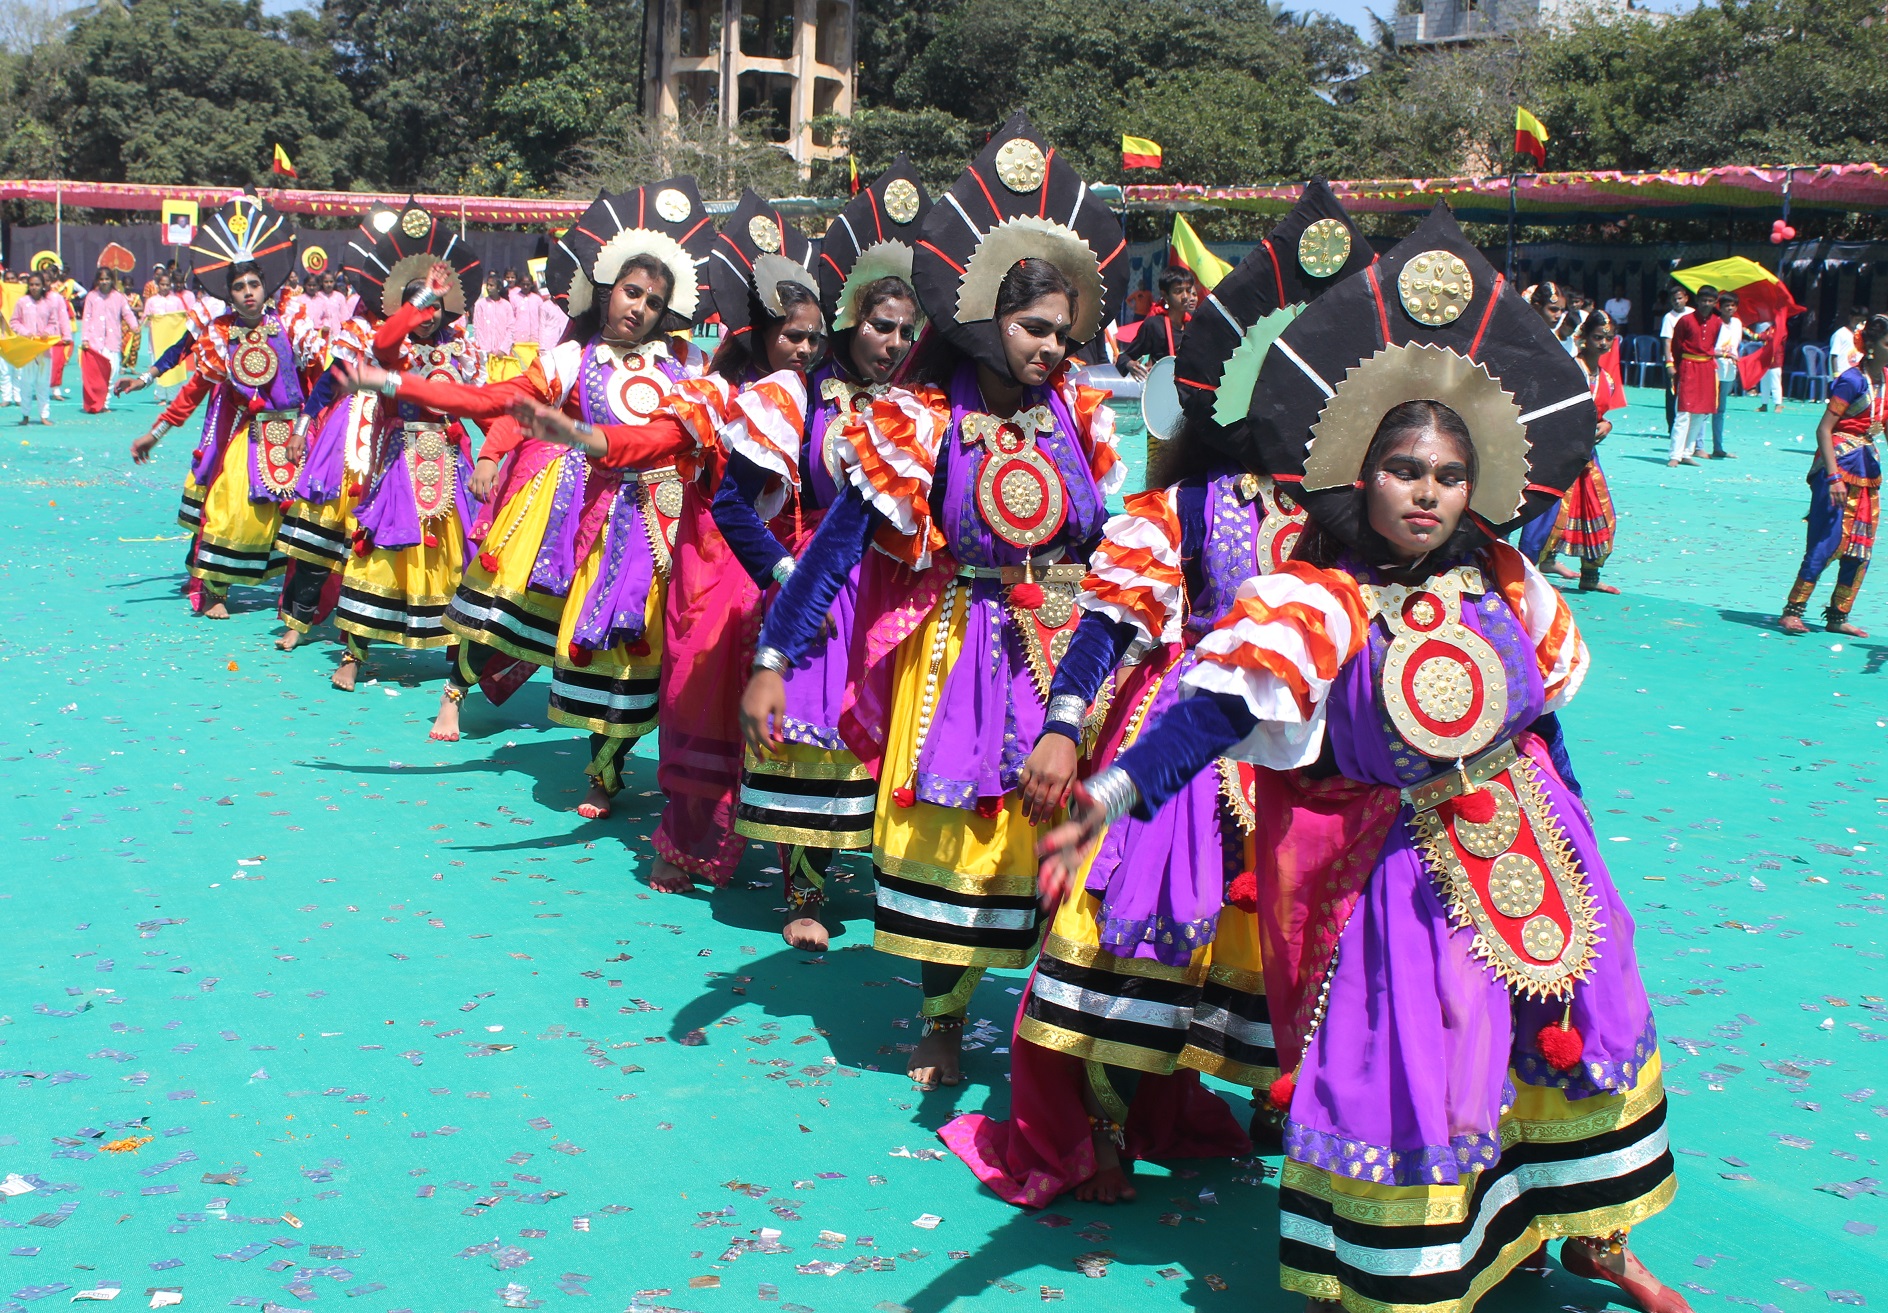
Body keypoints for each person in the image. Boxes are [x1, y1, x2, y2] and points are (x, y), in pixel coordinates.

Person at [1040, 205, 1689, 1313]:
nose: (1427, 490)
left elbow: (1542, 722)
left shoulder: (1504, 581)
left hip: (1534, 845)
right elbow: (1209, 713)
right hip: (1406, 879)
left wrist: (1580, 846)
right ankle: (1414, 1271)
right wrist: (1109, 787)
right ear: (1357, 476)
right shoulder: (1314, 599)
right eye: (1402, 469)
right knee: (1428, 1070)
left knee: (1574, 1032)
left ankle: (1591, 1234)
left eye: (1445, 471)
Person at [942, 181, 1367, 1209]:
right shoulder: (1184, 504)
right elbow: (1106, 626)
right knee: (1112, 945)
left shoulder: (1357, 519)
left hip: (1305, 767)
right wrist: (1058, 724)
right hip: (1174, 747)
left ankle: (1247, 1104)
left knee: (1289, 949)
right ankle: (1090, 1128)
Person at [742, 116, 1127, 1089]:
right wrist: (774, 659)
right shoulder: (918, 419)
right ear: (986, 318)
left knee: (1067, 841)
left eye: (1062, 332)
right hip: (956, 643)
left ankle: (1064, 1046)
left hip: (1062, 645)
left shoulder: (1077, 415)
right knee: (956, 838)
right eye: (1034, 327)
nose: (1049, 346)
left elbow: (1098, 543)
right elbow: (833, 549)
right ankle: (946, 1016)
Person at [335, 179, 715, 811]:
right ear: (606, 291)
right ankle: (456, 693)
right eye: (631, 292)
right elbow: (492, 402)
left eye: (653, 301)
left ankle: (607, 765)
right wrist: (395, 381)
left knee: (633, 649)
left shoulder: (691, 366)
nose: (639, 307)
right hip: (578, 512)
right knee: (516, 607)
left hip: (661, 525)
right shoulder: (569, 359)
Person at [729, 161, 930, 947]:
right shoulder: (802, 398)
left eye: (906, 331)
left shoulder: (924, 408)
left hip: (902, 593)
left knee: (891, 745)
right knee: (815, 744)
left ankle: (890, 879)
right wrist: (781, 570)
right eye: (882, 325)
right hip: (827, 589)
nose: (893, 342)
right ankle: (804, 891)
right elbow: (730, 503)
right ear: (850, 321)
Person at [127, 195, 322, 619]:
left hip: (296, 434)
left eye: (254, 284)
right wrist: (154, 434)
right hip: (249, 435)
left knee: (303, 518)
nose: (248, 293)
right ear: (228, 293)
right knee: (231, 508)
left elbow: (324, 370)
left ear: (265, 285)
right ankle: (215, 590)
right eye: (239, 287)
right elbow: (193, 390)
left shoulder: (291, 318)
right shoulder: (219, 336)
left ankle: (297, 600)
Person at [326, 204, 484, 690]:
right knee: (377, 553)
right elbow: (383, 339)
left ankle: (455, 652)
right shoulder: (397, 348)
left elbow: (480, 405)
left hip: (450, 461)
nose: (426, 316)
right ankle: (354, 653)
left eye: (435, 307)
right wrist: (424, 295)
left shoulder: (465, 349)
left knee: (455, 555)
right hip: (399, 458)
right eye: (417, 306)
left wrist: (500, 452)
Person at [1779, 312, 1885, 638]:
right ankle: (1793, 610)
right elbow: (1824, 429)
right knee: (1828, 539)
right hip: (1837, 466)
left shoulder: (1886, 381)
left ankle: (1838, 615)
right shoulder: (1852, 381)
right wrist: (1834, 477)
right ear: (1870, 346)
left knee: (1860, 546)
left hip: (1867, 470)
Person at [1526, 311, 1626, 593]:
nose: (1603, 343)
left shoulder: (1605, 378)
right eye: (1597, 337)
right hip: (1560, 456)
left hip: (1588, 457)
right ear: (1583, 337)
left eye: (1608, 338)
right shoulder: (1572, 369)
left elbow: (1601, 415)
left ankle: (1589, 577)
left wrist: (1607, 424)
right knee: (1548, 518)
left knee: (1599, 512)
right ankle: (1527, 577)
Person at [1667, 285, 1720, 465]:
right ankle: (1675, 455)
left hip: (1707, 368)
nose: (1706, 304)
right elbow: (1676, 345)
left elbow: (1712, 343)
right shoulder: (1685, 321)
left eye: (1710, 301)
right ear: (1697, 301)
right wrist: (1677, 366)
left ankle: (1687, 453)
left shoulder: (1717, 322)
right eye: (1703, 300)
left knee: (1700, 413)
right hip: (1688, 366)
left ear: (1715, 303)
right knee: (1683, 412)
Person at [9, 270, 69, 425]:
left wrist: (46, 332)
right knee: (26, 383)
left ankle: (44, 415)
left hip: (44, 349)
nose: (34, 287)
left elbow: (53, 323)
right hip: (28, 348)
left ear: (43, 286)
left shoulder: (48, 304)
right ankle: (25, 415)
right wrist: (26, 332)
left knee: (43, 383)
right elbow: (14, 322)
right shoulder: (22, 302)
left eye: (37, 284)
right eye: (32, 285)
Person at [1117, 268, 1197, 380]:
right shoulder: (1154, 325)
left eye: (1188, 290)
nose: (1185, 297)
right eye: (1178, 291)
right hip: (1164, 391)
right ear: (1165, 295)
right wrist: (1130, 364)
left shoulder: (1195, 327)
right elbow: (1124, 357)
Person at [80, 265, 139, 413]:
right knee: (95, 375)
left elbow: (127, 312)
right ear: (97, 281)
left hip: (112, 341)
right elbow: (86, 318)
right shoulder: (92, 297)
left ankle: (104, 403)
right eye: (102, 279)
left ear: (112, 280)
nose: (104, 282)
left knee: (112, 371)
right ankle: (94, 403)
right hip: (95, 341)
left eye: (107, 279)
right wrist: (85, 338)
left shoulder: (118, 297)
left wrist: (134, 326)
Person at [1709, 289, 1742, 458]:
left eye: (1733, 305)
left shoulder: (1737, 323)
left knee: (1720, 410)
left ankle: (1718, 446)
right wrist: (1724, 354)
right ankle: (1696, 446)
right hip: (1714, 368)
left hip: (1729, 371)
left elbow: (1736, 345)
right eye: (1726, 305)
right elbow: (1707, 349)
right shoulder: (1714, 323)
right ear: (1719, 307)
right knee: (1706, 409)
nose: (1730, 308)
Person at [1658, 285, 1692, 431]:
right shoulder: (1669, 317)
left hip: (1689, 359)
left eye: (1680, 298)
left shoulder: (1693, 313)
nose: (1677, 302)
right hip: (1674, 360)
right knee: (1672, 393)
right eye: (1674, 300)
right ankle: (1672, 426)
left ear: (1686, 298)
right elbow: (1666, 341)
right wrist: (1669, 363)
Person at [1829, 306, 1867, 377]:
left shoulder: (1861, 336)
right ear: (1850, 318)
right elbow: (1834, 356)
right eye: (1857, 319)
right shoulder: (1840, 334)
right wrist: (1836, 375)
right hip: (1841, 376)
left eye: (1862, 321)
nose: (1858, 323)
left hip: (1854, 377)